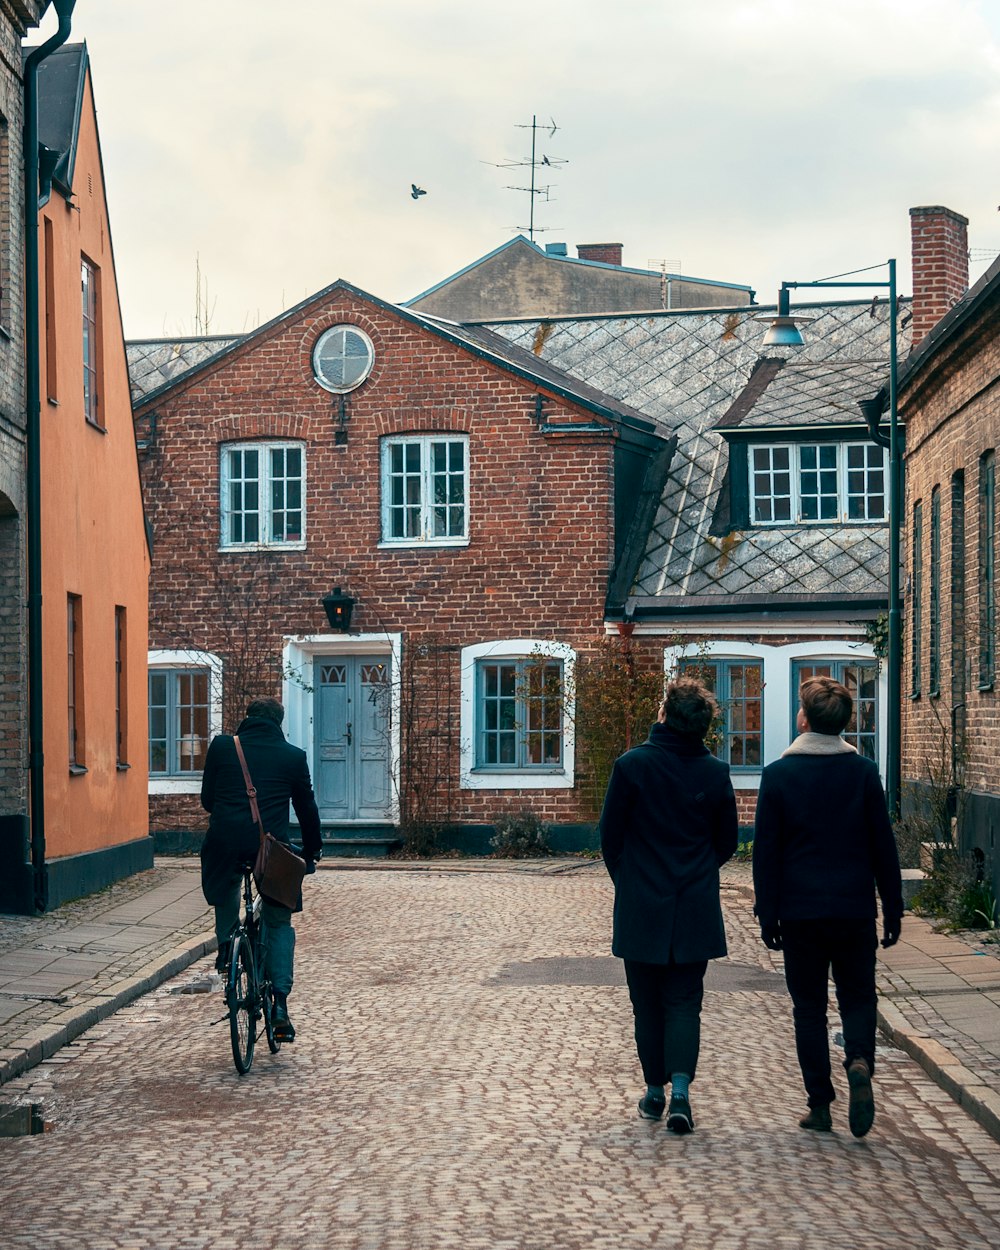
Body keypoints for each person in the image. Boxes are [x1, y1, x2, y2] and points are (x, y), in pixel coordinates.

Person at [752, 675, 903, 1138]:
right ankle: (858, 1058)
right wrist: (892, 908)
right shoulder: (862, 773)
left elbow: (767, 853)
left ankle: (820, 1104)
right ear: (844, 723)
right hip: (854, 909)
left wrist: (768, 911)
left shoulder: (778, 775)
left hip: (800, 912)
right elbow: (884, 847)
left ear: (804, 717)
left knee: (809, 1008)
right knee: (858, 995)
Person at [599, 677, 739, 1134]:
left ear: (663, 714)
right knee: (684, 1002)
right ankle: (680, 1091)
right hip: (694, 903)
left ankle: (654, 1091)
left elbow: (610, 837)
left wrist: (630, 879)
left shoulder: (632, 766)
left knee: (646, 1004)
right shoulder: (715, 773)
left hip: (642, 903)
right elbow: (727, 842)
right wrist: (697, 872)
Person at [200, 697, 322, 1043]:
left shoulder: (223, 747)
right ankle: (280, 1005)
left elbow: (208, 800)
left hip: (225, 843)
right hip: (271, 850)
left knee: (226, 888)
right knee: (279, 922)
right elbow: (306, 808)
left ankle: (227, 948)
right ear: (279, 723)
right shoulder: (293, 757)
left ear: (247, 718)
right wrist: (312, 852)